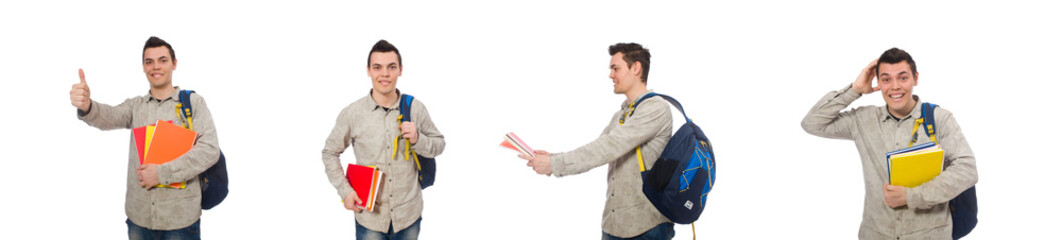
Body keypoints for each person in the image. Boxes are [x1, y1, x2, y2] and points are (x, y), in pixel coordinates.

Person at [801, 48, 978, 239]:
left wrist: (912, 196)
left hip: (929, 234)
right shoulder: (863, 120)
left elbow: (967, 170)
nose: (895, 86)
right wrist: (854, 90)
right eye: (886, 79)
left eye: (903, 78)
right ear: (878, 82)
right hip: (876, 234)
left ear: (915, 78)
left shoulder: (940, 119)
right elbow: (812, 123)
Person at [70, 36, 220, 240]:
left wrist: (162, 173)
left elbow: (210, 150)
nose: (155, 67)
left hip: (181, 220)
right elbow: (109, 116)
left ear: (174, 64)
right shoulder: (136, 106)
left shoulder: (193, 103)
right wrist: (87, 105)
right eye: (149, 61)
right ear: (143, 67)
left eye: (163, 60)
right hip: (139, 220)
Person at [522, 43, 675, 240]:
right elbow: (599, 147)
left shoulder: (655, 108)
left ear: (636, 68)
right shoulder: (622, 114)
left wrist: (554, 165)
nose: (611, 75)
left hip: (646, 228)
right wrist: (552, 158)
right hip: (614, 226)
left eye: (616, 68)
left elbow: (608, 148)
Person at [321, 39, 445, 240]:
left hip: (408, 217)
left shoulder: (416, 108)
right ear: (369, 70)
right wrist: (345, 191)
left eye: (391, 67)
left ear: (400, 70)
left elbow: (439, 145)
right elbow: (329, 153)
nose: (385, 74)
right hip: (370, 218)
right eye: (377, 67)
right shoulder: (352, 113)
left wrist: (417, 139)